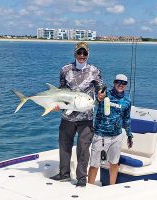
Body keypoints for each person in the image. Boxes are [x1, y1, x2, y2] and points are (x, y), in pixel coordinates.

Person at [50, 42, 105, 187]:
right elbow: (60, 91)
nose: (81, 56)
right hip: (67, 116)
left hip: (86, 117)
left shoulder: (95, 71)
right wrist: (56, 104)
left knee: (83, 147)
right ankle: (64, 174)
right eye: (79, 53)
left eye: (84, 53)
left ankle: (81, 178)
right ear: (74, 53)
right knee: (64, 145)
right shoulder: (65, 70)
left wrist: (100, 96)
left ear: (88, 54)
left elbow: (101, 91)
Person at [88, 74, 133, 185]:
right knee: (94, 164)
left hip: (117, 136)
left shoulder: (127, 101)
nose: (120, 85)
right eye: (118, 82)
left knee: (114, 163)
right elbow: (95, 101)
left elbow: (126, 119)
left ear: (126, 85)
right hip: (100, 135)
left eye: (123, 83)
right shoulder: (104, 94)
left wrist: (129, 135)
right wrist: (98, 97)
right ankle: (89, 188)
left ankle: (112, 188)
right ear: (114, 82)